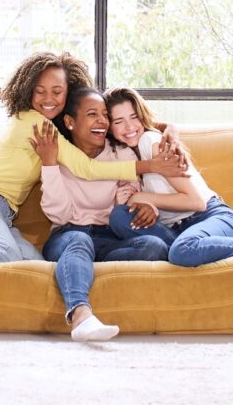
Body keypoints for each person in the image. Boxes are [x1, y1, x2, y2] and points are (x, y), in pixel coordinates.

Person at [0, 52, 185, 264]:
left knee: (35, 266)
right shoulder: (33, 122)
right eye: (40, 91)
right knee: (4, 254)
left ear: (68, 94)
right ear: (27, 91)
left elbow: (115, 127)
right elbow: (86, 167)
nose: (49, 98)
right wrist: (149, 165)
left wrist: (164, 127)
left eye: (58, 92)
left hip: (1, 213)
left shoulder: (57, 127)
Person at [30, 87, 169, 342]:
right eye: (92, 114)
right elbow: (59, 215)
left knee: (153, 245)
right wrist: (49, 165)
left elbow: (130, 198)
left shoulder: (121, 154)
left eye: (105, 115)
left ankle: (79, 266)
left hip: (108, 239)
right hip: (68, 234)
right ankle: (80, 315)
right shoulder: (57, 155)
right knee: (79, 241)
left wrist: (147, 207)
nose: (102, 121)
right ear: (70, 122)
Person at [102, 86, 233, 268]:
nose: (129, 127)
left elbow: (196, 202)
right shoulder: (125, 154)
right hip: (178, 231)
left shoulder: (151, 142)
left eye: (134, 117)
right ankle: (178, 250)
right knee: (119, 216)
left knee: (182, 251)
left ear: (142, 116)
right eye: (119, 121)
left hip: (211, 217)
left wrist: (140, 198)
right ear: (109, 127)